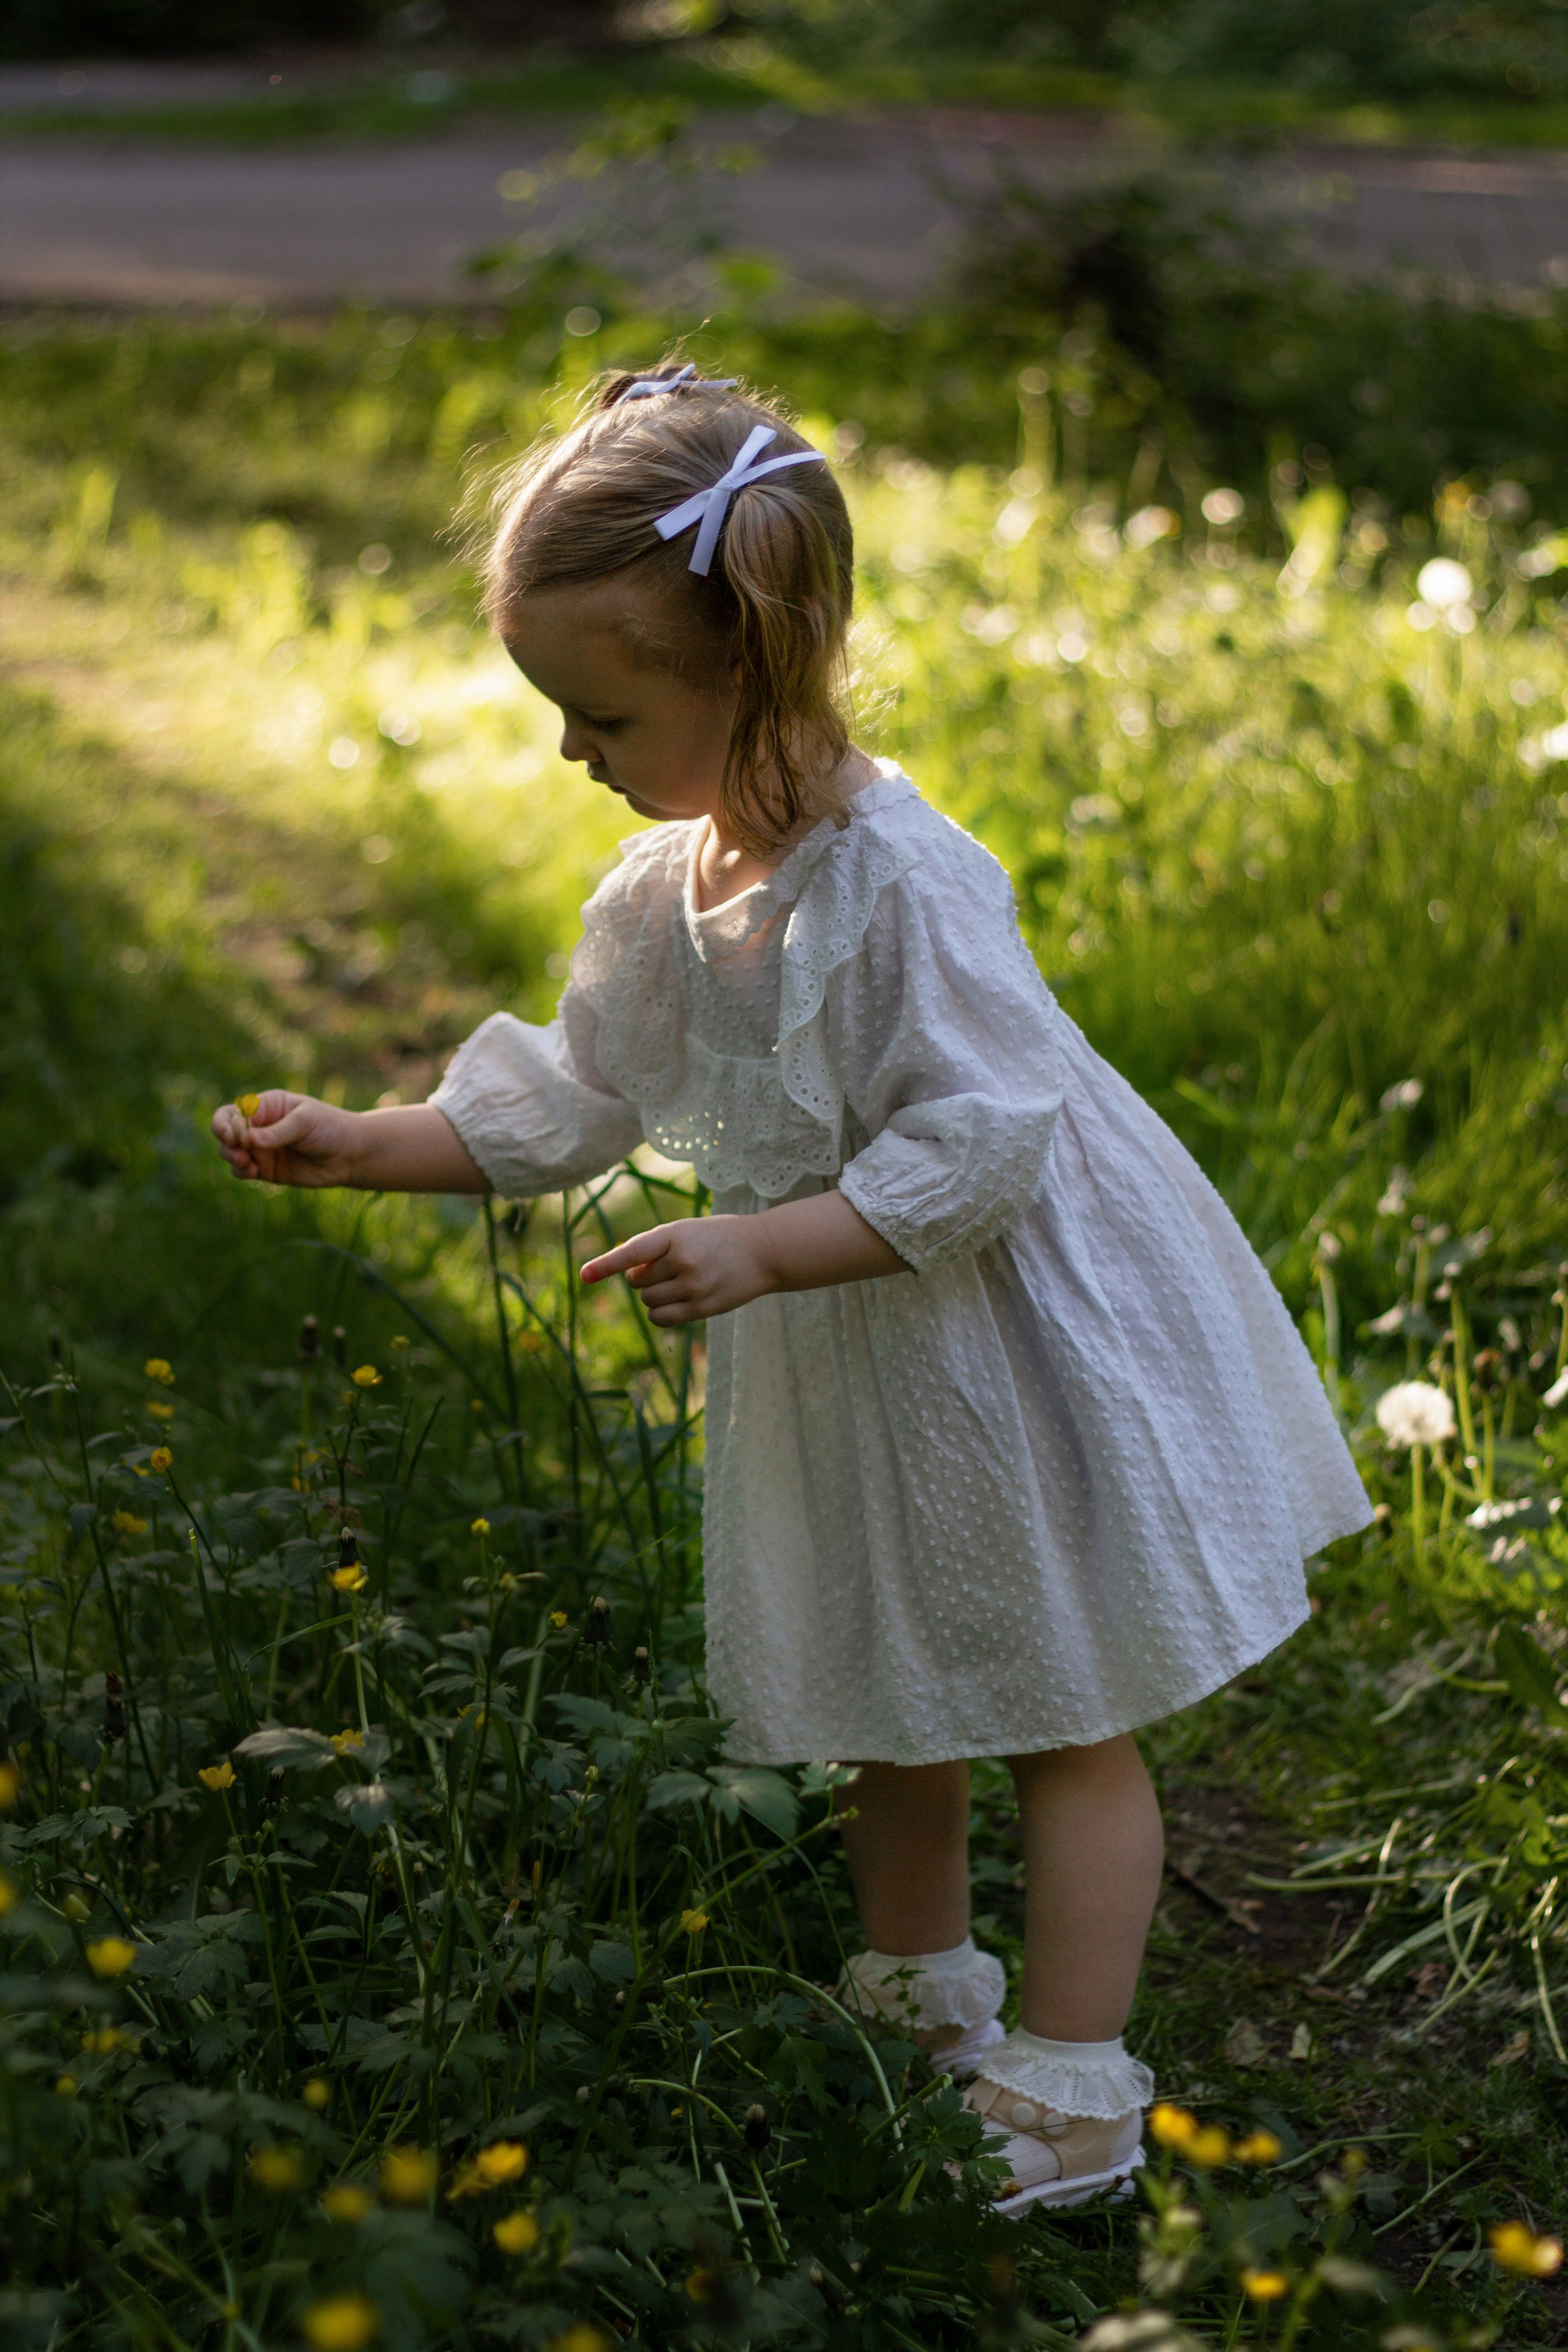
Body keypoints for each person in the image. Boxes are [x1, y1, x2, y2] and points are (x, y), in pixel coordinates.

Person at [211, 361, 1370, 2214]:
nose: (573, 752)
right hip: (847, 1359)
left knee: (1063, 1707)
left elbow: (985, 1141)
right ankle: (918, 2008)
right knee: (885, 1680)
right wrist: (373, 1140)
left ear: (753, 664)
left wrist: (763, 1245)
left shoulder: (903, 882)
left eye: (602, 715)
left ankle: (1073, 2096)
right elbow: (577, 1092)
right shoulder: (661, 896)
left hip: (998, 1342)